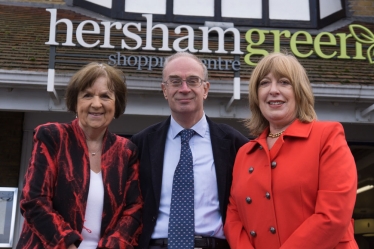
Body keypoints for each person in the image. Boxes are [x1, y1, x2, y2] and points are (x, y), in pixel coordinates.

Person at [224, 52, 358, 249]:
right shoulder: (244, 153)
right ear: (256, 95)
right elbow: (233, 219)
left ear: (299, 91)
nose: (273, 90)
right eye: (264, 83)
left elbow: (333, 216)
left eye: (284, 82)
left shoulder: (327, 136)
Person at [17, 62, 143, 249]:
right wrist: (67, 244)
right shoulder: (53, 137)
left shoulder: (127, 151)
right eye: (87, 95)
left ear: (116, 105)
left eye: (105, 96)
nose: (96, 104)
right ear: (76, 102)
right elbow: (34, 200)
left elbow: (134, 210)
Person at [131, 52, 248, 249]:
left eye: (193, 81)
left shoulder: (235, 145)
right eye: (175, 81)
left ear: (205, 89)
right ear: (165, 90)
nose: (184, 89)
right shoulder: (140, 145)